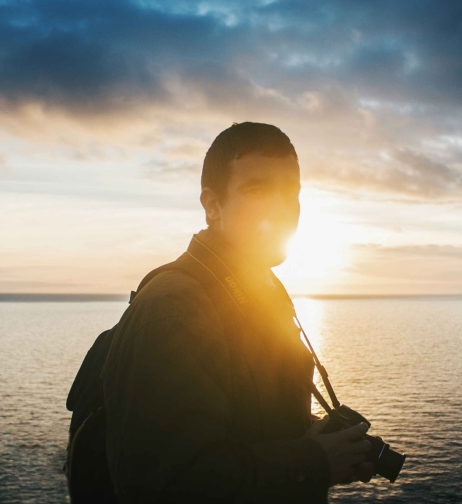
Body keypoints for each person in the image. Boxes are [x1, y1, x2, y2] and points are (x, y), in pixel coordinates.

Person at [99, 122, 373, 503]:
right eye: (258, 190)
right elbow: (164, 483)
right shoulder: (174, 309)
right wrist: (314, 462)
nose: (281, 208)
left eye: (290, 192)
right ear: (213, 205)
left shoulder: (257, 291)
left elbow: (243, 422)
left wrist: (323, 440)